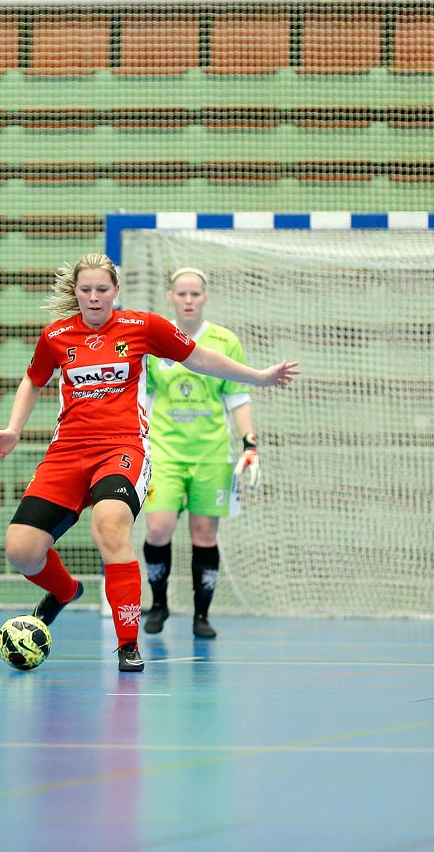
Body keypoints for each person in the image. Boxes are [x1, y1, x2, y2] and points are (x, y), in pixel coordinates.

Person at [0, 253, 299, 672]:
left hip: (123, 447)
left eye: (102, 289)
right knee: (21, 552)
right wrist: (14, 428)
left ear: (116, 290)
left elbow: (200, 358)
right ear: (75, 293)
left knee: (110, 525)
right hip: (67, 452)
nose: (94, 298)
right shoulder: (56, 336)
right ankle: (63, 592)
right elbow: (34, 379)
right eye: (86, 290)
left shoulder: (142, 327)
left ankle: (128, 643)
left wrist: (258, 376)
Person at [139, 268, 260, 640]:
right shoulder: (155, 338)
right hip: (164, 452)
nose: (188, 300)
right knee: (158, 530)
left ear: (205, 297)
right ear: (171, 297)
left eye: (195, 294)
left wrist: (250, 442)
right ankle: (158, 603)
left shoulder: (224, 341)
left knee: (205, 535)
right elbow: (141, 393)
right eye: (182, 294)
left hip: (211, 453)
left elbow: (237, 397)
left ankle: (201, 615)